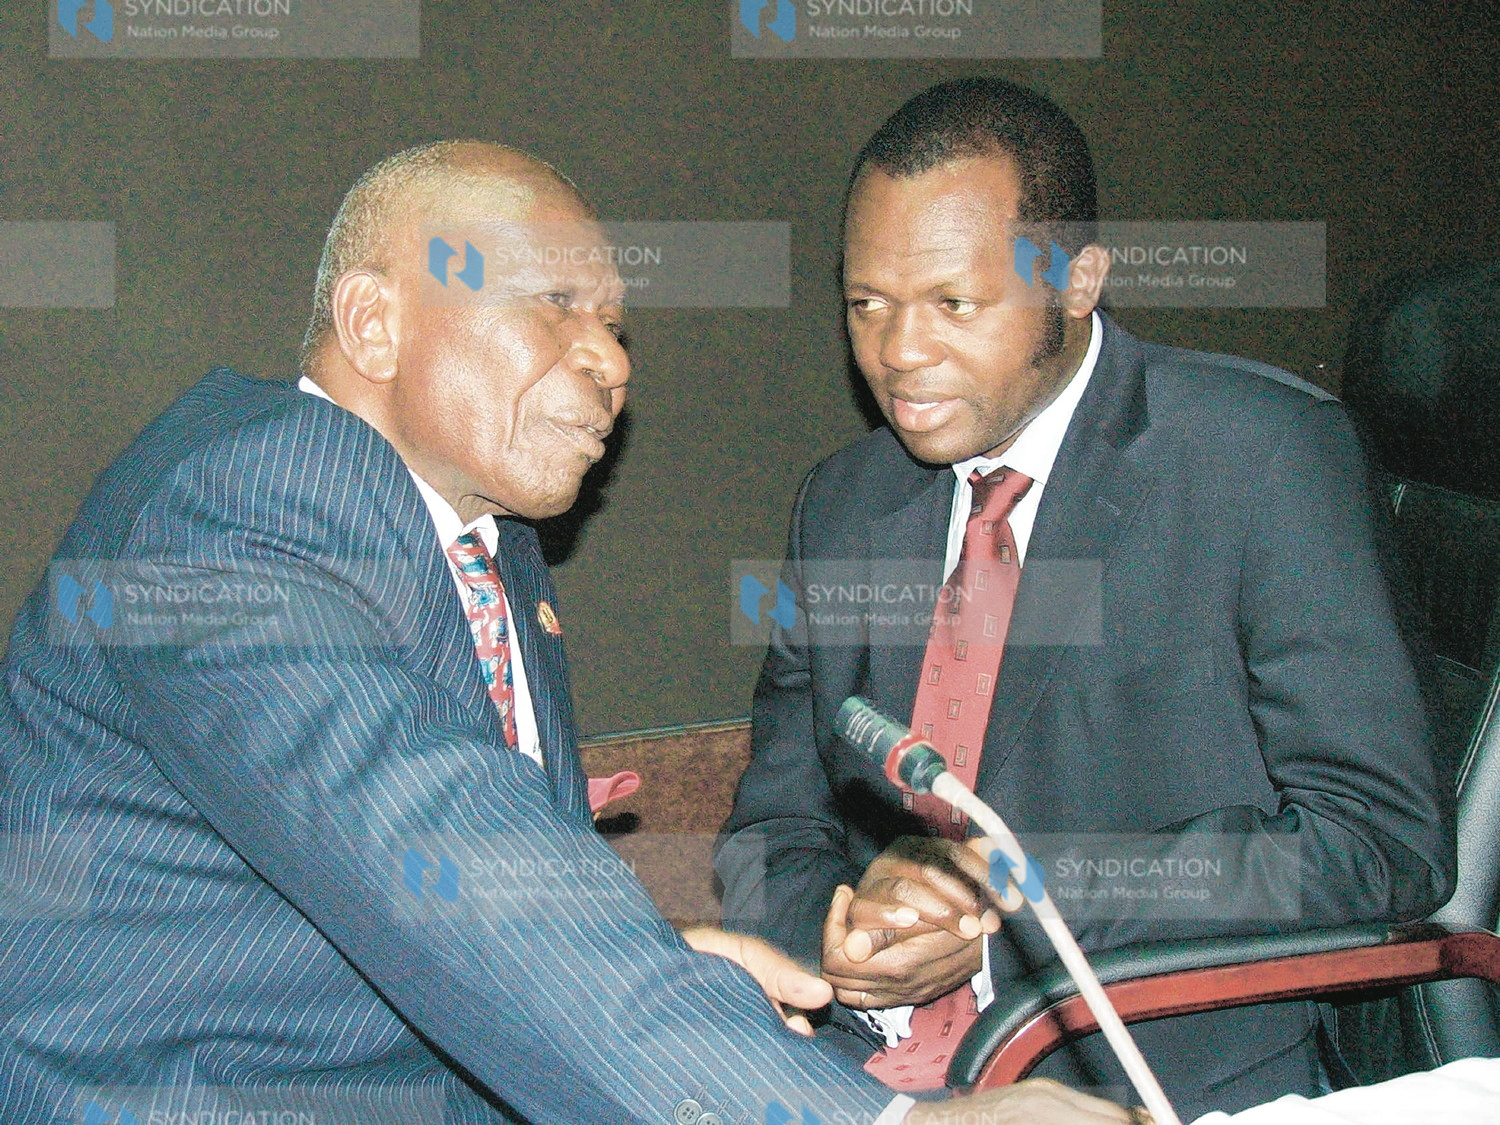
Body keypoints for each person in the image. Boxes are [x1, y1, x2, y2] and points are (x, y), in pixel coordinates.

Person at [0, 141, 1135, 1125]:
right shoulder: (247, 506)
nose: (612, 360)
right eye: (555, 303)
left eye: (616, 325)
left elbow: (424, 889)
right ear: (374, 321)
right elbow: (445, 858)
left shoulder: (492, 553)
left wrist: (667, 960)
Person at [715, 77, 1456, 1121]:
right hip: (855, 1077)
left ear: (1077, 282)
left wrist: (1014, 892)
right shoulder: (843, 504)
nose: (897, 353)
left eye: (951, 304)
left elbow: (1381, 845)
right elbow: (771, 831)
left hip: (1140, 1077)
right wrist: (840, 933)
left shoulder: (1261, 461)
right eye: (864, 304)